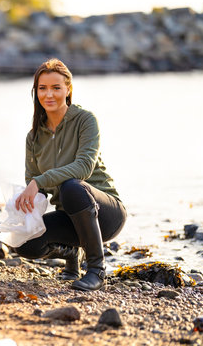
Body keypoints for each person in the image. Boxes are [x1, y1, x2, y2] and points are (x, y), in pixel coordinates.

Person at [14, 58, 126, 291]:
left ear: (68, 89)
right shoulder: (33, 137)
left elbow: (84, 167)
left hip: (105, 213)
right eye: (42, 88)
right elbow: (36, 187)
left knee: (72, 186)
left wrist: (38, 181)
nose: (49, 95)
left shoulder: (85, 121)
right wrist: (21, 208)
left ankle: (96, 269)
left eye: (56, 87)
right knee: (22, 242)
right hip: (69, 219)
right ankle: (71, 252)